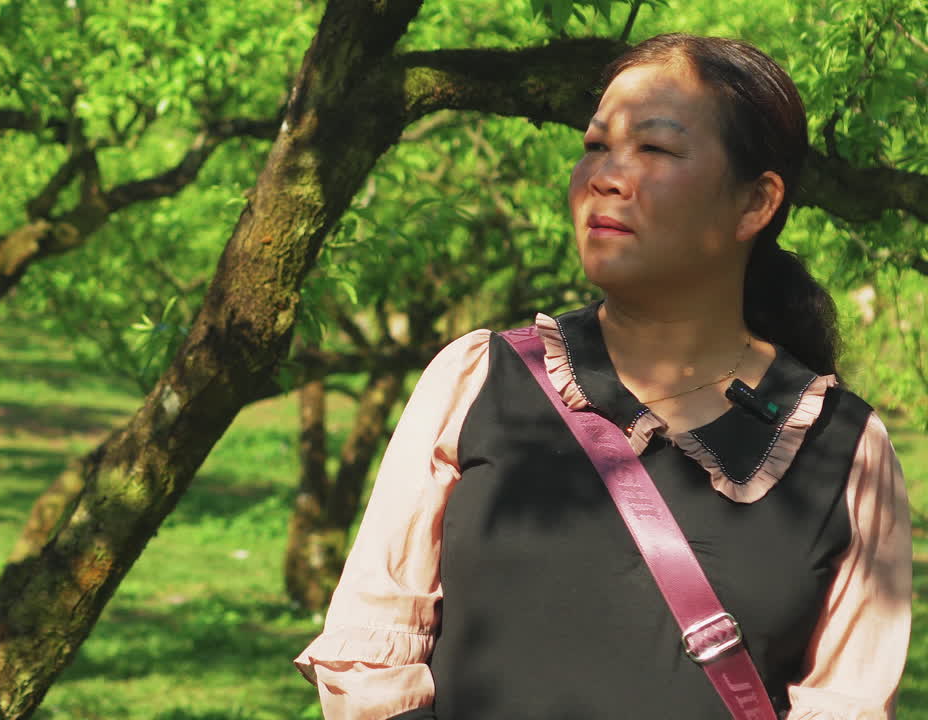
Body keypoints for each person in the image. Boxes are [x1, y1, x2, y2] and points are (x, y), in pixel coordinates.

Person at [293, 33, 911, 720]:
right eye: (595, 146)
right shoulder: (480, 380)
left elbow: (844, 703)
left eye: (655, 149)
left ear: (755, 204)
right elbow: (374, 661)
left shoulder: (840, 447)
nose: (605, 177)